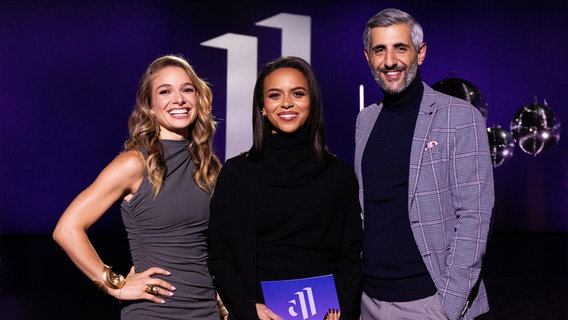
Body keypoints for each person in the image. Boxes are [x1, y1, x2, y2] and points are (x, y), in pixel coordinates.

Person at [53, 54, 224, 319]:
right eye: (165, 91)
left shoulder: (210, 168)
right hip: (154, 311)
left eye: (187, 89)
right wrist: (115, 285)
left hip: (207, 311)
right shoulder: (134, 163)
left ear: (199, 99)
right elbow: (67, 229)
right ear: (150, 106)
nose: (178, 99)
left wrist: (222, 301)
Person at [354, 8, 494, 320]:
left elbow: (475, 216)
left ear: (420, 53)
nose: (390, 61)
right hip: (370, 300)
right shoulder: (365, 121)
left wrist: (451, 305)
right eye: (380, 49)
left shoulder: (460, 117)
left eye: (400, 47)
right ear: (368, 57)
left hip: (431, 301)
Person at [208, 56, 362, 320]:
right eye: (275, 95)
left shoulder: (339, 176)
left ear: (312, 102)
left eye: (298, 93)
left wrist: (342, 312)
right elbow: (220, 256)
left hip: (324, 315)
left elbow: (350, 257)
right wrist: (247, 309)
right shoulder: (236, 174)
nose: (287, 103)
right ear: (262, 107)